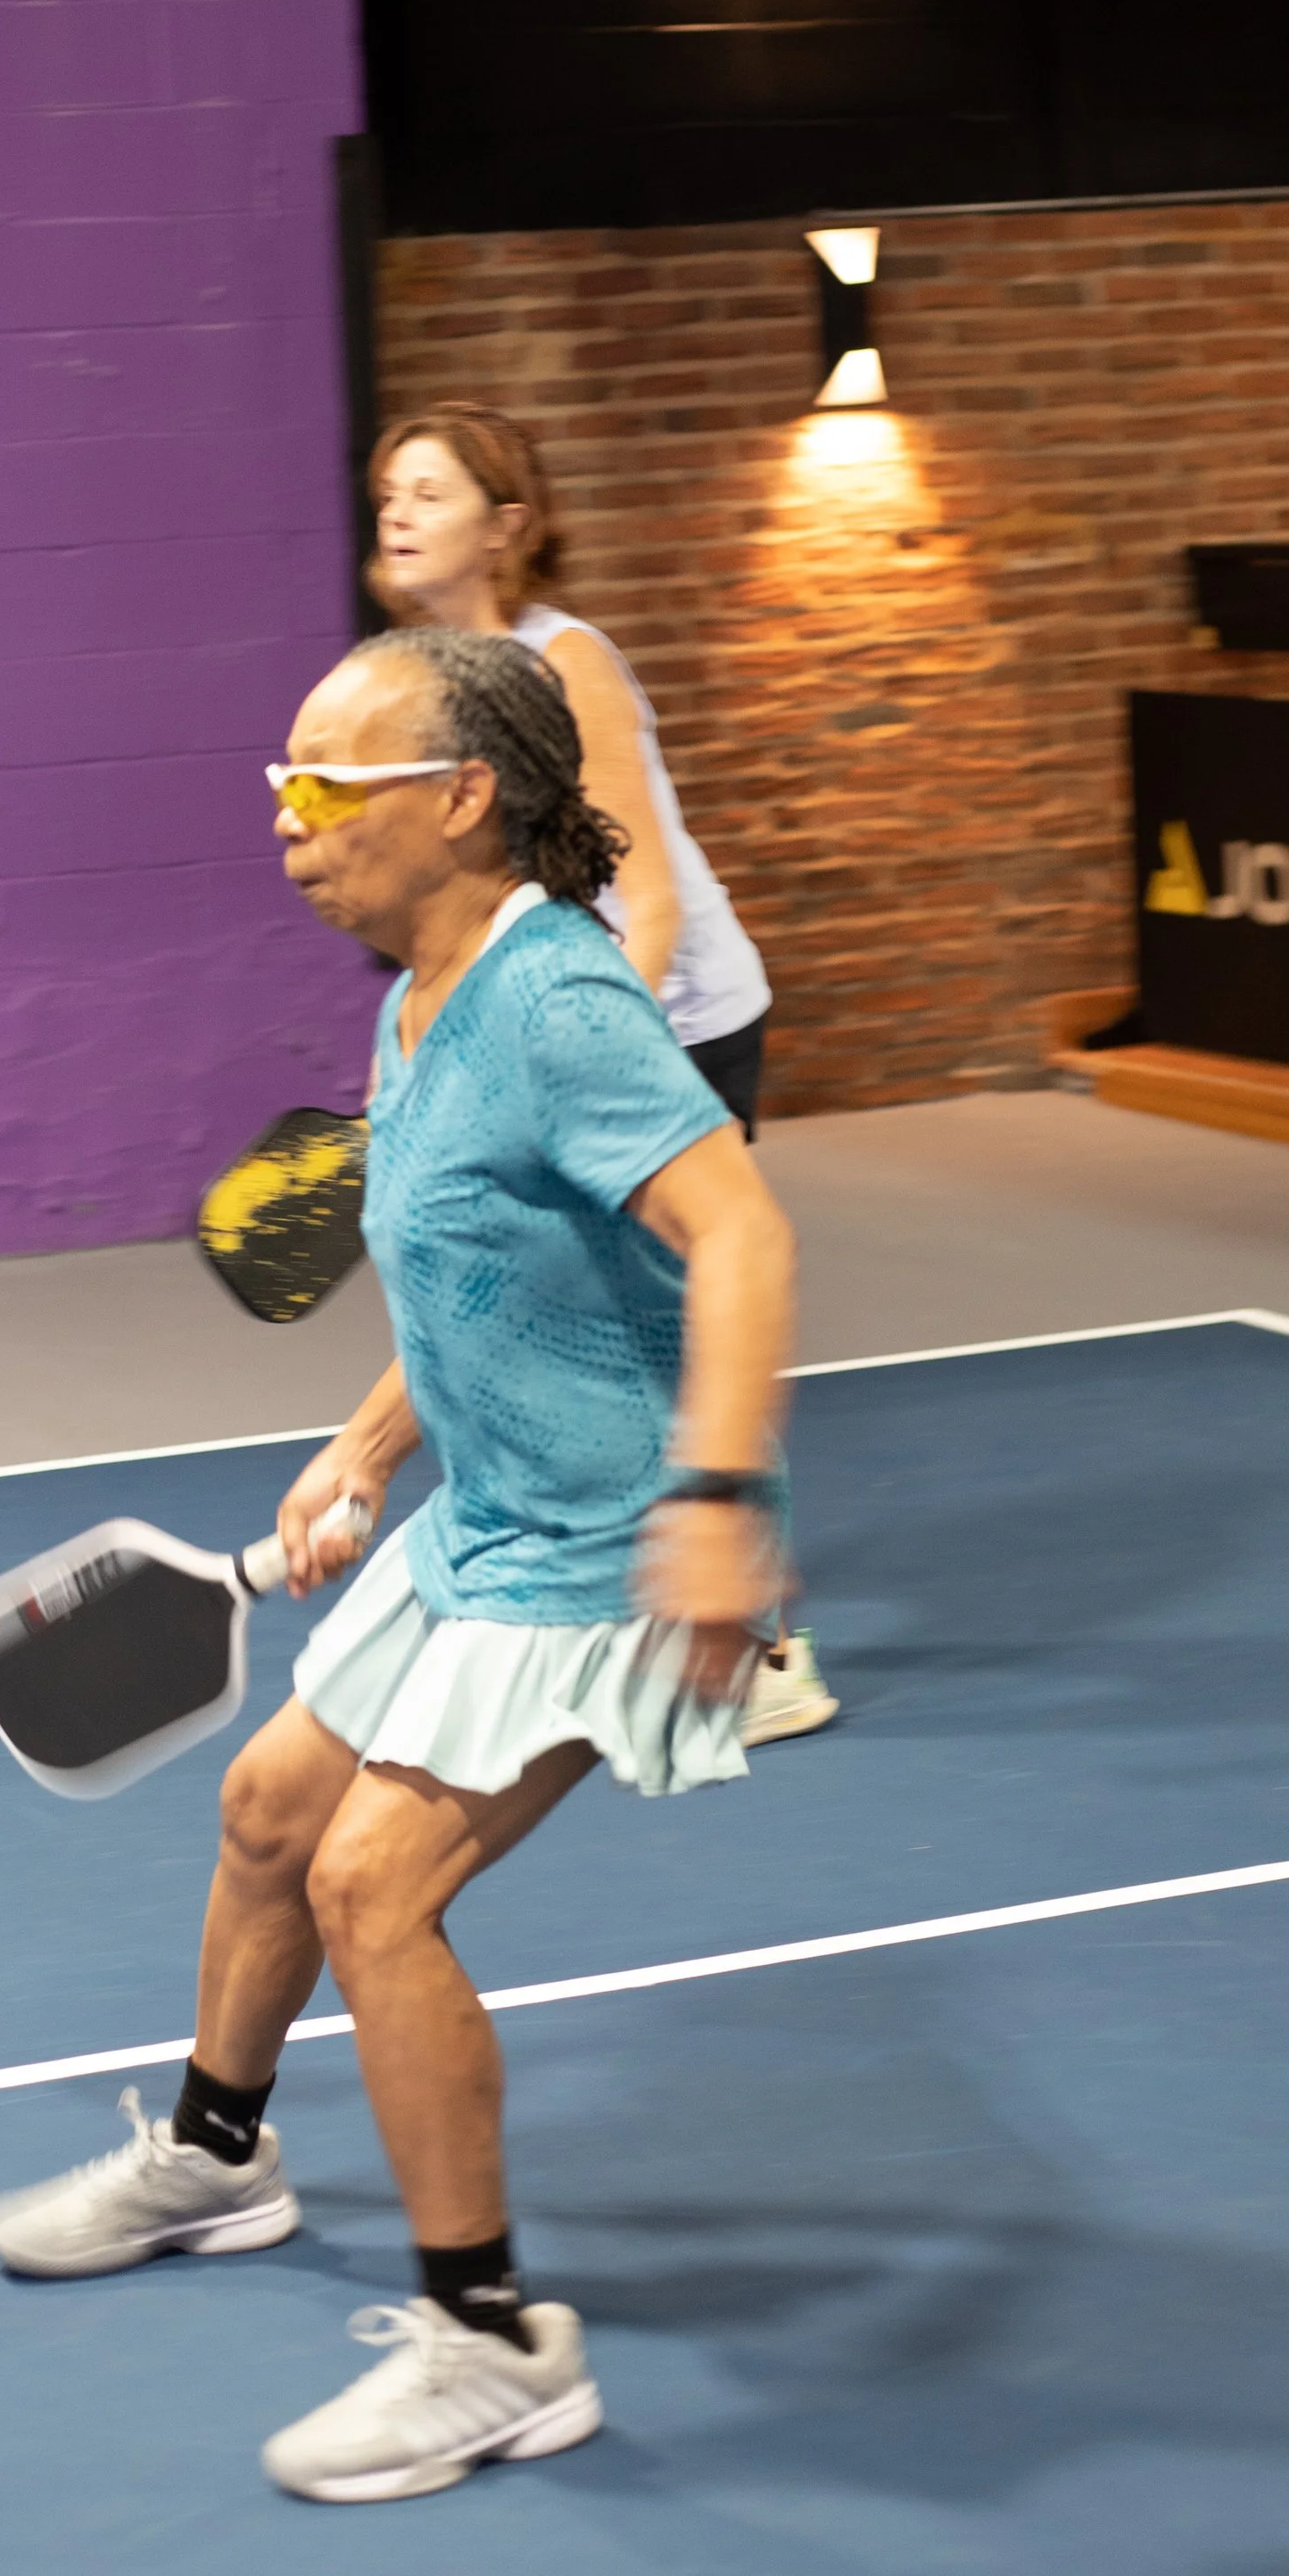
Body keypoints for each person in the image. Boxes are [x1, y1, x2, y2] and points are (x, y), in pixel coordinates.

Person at [0, 626, 797, 2505]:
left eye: (323, 784)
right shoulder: (421, 998)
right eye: (279, 782)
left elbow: (743, 1235)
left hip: (602, 1536)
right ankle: (216, 2157)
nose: (287, 819)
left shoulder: (557, 1002)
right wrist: (361, 1453)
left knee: (372, 1888)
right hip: (485, 1505)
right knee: (271, 1811)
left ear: (461, 800)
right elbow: (480, 1273)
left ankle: (492, 2344)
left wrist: (715, 1498)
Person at [370, 400, 834, 1753]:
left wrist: (582, 1042)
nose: (398, 510)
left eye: (432, 491)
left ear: (506, 525)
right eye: (390, 489)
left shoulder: (565, 660)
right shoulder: (418, 677)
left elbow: (647, 893)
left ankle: (767, 1638)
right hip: (552, 1020)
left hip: (667, 1016)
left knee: (682, 1311)